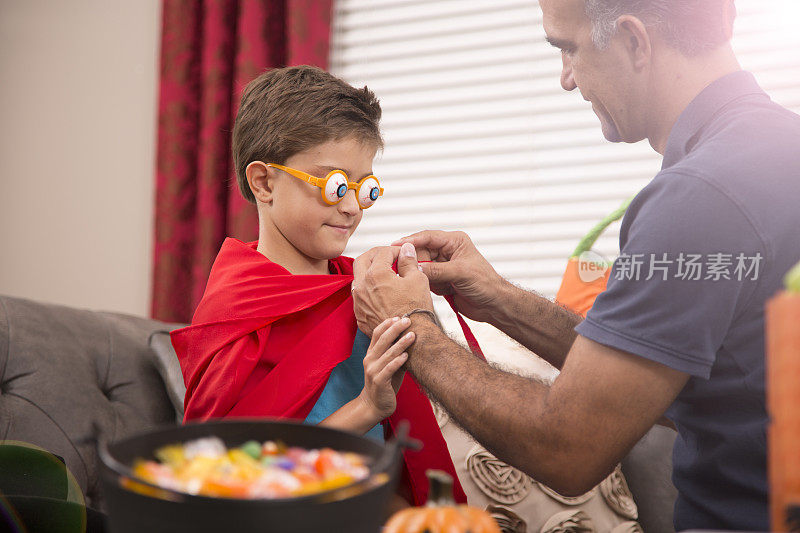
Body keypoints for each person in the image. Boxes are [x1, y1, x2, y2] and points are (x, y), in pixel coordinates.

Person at [351, 0, 800, 530]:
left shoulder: (699, 199)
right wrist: (499, 299)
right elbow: (646, 371)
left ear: (634, 40)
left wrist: (411, 327)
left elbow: (566, 447)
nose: (566, 79)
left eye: (569, 49)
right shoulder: (775, 151)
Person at [170, 65, 466, 506]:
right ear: (264, 182)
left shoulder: (366, 288)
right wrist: (366, 406)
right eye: (334, 185)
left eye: (364, 188)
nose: (351, 208)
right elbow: (232, 475)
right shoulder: (239, 306)